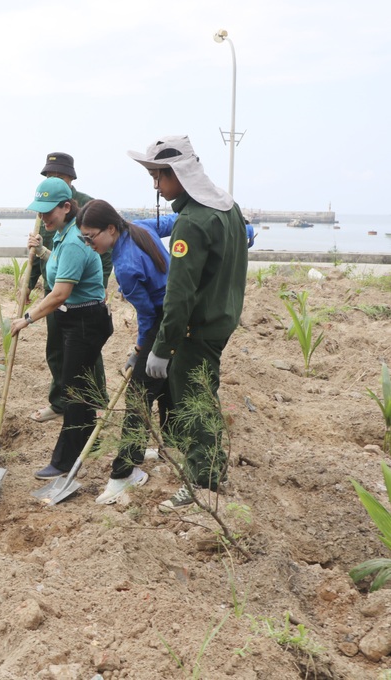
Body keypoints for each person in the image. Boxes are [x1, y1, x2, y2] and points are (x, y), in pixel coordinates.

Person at [127, 135, 248, 512]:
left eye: (159, 176)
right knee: (201, 394)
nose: (155, 185)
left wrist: (163, 348)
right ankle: (204, 467)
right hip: (222, 317)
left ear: (178, 173)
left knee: (195, 401)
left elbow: (179, 296)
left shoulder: (192, 223)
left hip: (197, 328)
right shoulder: (227, 207)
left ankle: (204, 482)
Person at [9, 177, 113, 480]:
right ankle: (87, 446)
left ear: (67, 207)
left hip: (85, 321)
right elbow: (60, 266)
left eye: (48, 213)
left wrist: (26, 318)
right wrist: (42, 252)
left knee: (73, 391)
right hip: (76, 320)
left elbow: (59, 293)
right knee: (77, 387)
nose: (43, 219)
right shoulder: (63, 235)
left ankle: (64, 461)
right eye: (39, 213)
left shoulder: (74, 241)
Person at [76, 199, 171, 504]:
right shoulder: (139, 227)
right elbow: (174, 222)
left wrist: (140, 350)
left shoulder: (126, 267)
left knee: (138, 397)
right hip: (180, 317)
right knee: (166, 385)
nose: (88, 244)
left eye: (91, 237)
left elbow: (147, 317)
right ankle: (171, 447)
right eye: (83, 238)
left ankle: (124, 473)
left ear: (111, 230)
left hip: (162, 324)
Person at [24, 152, 108, 423]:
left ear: (71, 178)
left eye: (59, 175)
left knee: (83, 356)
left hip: (78, 295)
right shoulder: (45, 206)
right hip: (55, 291)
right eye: (49, 175)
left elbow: (101, 252)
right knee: (57, 350)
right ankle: (62, 403)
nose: (53, 179)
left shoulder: (86, 208)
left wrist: (101, 283)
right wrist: (29, 283)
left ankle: (93, 402)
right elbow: (44, 249)